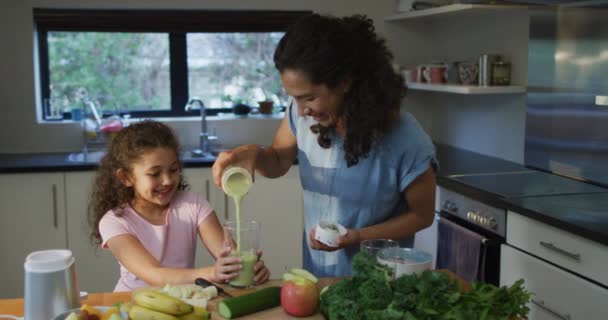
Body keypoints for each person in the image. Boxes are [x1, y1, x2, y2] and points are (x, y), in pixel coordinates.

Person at [212, 14, 437, 277]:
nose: (301, 110)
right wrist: (252, 153)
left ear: (344, 82)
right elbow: (277, 161)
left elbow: (422, 215)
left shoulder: (405, 138)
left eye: (308, 97)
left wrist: (357, 237)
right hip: (316, 276)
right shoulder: (302, 115)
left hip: (378, 283)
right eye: (294, 98)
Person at [89, 120, 270, 291]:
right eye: (155, 174)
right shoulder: (114, 222)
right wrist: (212, 273)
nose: (167, 180)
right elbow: (154, 275)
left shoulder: (193, 205)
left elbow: (228, 254)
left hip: (184, 302)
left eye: (173, 170)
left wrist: (247, 270)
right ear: (126, 177)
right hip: (131, 305)